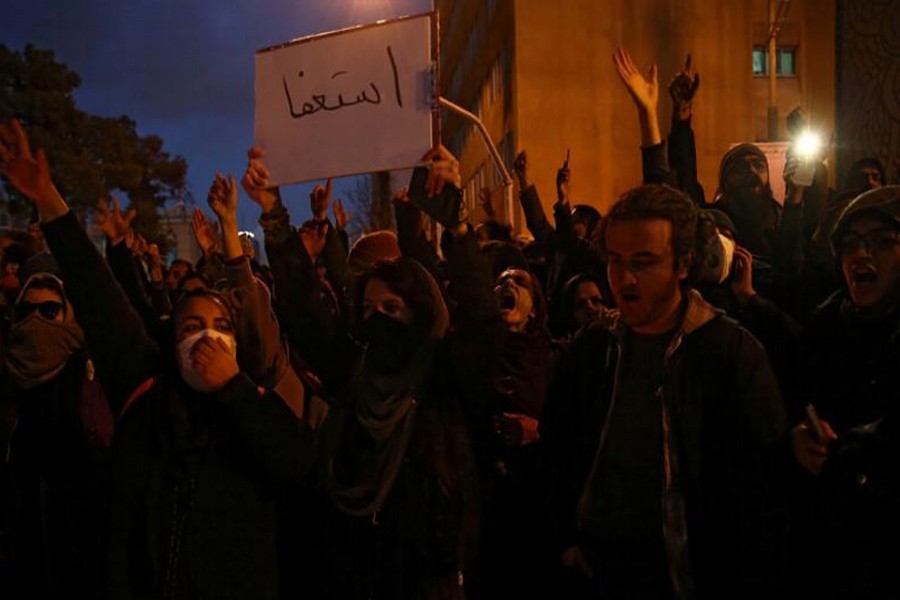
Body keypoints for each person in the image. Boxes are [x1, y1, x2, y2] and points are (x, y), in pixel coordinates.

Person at [0, 118, 317, 599]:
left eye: (220, 327)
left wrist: (234, 390)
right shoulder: (145, 390)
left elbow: (296, 462)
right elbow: (98, 294)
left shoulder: (256, 404)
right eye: (191, 328)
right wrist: (48, 199)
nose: (207, 337)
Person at [243, 144, 478, 599]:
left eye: (393, 308)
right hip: (351, 565)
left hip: (430, 577)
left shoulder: (445, 377)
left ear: (420, 312)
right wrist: (273, 213)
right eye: (369, 308)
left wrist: (460, 227)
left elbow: (481, 316)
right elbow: (305, 308)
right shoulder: (356, 368)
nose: (380, 319)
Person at [542, 183, 787, 599]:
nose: (624, 278)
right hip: (596, 573)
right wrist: (565, 539)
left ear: (683, 264)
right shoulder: (593, 347)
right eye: (615, 261)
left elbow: (760, 488)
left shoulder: (729, 354)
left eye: (644, 262)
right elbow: (557, 450)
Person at [1, 255, 113, 599]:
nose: (36, 320)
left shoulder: (93, 381)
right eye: (27, 312)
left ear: (68, 314)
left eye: (49, 311)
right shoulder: (7, 382)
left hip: (86, 557)